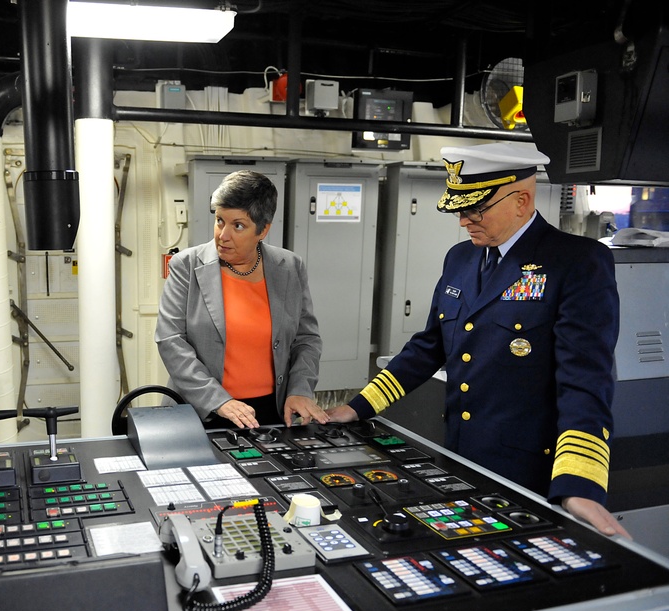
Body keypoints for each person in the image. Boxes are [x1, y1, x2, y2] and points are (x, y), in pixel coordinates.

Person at [327, 143, 629, 539]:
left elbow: (585, 381)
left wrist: (578, 486)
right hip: (458, 457)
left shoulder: (576, 262)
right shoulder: (461, 258)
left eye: (475, 209)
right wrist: (358, 407)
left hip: (527, 473)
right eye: (460, 208)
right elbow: (428, 347)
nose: (464, 220)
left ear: (521, 200)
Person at [156, 170, 328, 429]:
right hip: (203, 412)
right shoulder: (187, 266)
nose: (223, 235)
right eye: (219, 221)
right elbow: (171, 341)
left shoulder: (290, 267)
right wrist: (219, 401)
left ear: (263, 230)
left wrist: (300, 389)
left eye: (238, 226)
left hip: (272, 413)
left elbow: (307, 339)